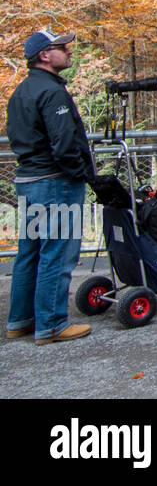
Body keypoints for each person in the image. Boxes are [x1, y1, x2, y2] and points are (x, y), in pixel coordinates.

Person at [5, 29, 95, 345]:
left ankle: (20, 321)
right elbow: (65, 144)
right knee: (57, 252)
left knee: (29, 252)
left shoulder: (21, 92)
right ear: (45, 55)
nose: (69, 51)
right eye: (61, 47)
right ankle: (52, 324)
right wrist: (81, 173)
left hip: (28, 182)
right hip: (55, 183)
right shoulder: (52, 92)